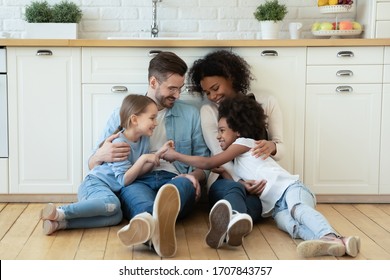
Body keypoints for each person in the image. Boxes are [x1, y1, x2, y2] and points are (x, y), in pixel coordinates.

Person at [162, 95, 361, 258]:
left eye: (222, 130)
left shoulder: (245, 143)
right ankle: (335, 244)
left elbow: (208, 162)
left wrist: (176, 156)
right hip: (274, 207)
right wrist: (225, 172)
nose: (218, 136)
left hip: (291, 189)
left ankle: (331, 235)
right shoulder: (238, 161)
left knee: (298, 211)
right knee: (291, 226)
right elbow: (238, 184)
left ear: (238, 131)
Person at [88, 51, 209, 258]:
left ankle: (148, 229)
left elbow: (203, 162)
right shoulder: (122, 114)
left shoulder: (190, 115)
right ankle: (159, 229)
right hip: (136, 180)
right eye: (172, 88)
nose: (178, 95)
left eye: (180, 89)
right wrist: (100, 155)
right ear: (153, 82)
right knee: (139, 200)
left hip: (175, 178)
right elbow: (92, 165)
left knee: (181, 187)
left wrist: (193, 176)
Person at [186, 49, 284, 248]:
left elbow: (282, 149)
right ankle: (234, 220)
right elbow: (219, 156)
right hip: (226, 180)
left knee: (258, 206)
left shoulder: (267, 102)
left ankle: (229, 226)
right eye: (207, 92)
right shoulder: (209, 111)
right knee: (234, 190)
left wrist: (272, 147)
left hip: (260, 184)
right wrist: (240, 181)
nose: (213, 96)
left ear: (231, 77)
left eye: (216, 87)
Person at [40, 94, 171, 235]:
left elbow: (138, 171)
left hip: (108, 190)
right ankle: (60, 211)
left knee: (116, 216)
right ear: (134, 119)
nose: (156, 123)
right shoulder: (120, 143)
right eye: (152, 118)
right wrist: (144, 159)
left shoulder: (143, 139)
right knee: (113, 203)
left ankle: (61, 223)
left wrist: (156, 156)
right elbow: (124, 180)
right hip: (95, 184)